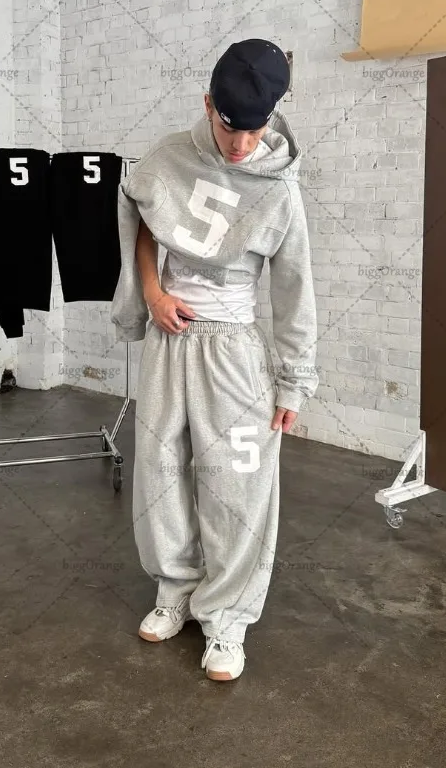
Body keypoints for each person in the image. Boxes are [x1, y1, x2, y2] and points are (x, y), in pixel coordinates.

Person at [111, 38, 318, 681]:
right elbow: (144, 226)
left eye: (254, 130)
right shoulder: (169, 157)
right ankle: (174, 587)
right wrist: (152, 294)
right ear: (208, 105)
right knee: (160, 471)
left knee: (237, 482)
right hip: (169, 342)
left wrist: (292, 382)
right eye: (230, 128)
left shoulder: (279, 186)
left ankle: (227, 615)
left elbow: (294, 288)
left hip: (233, 348)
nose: (240, 145)